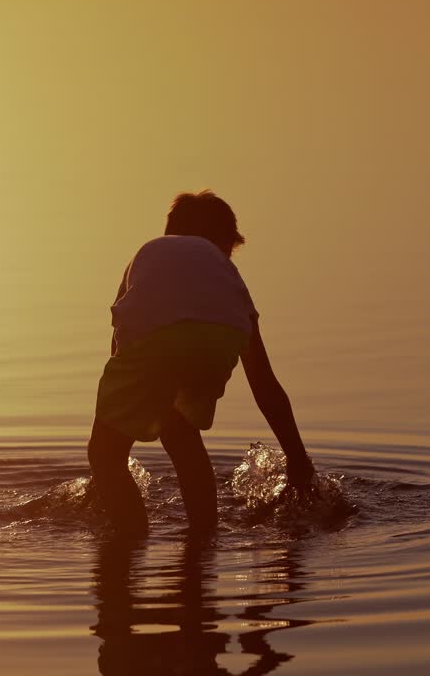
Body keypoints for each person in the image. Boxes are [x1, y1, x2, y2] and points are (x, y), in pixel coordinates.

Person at [88, 190, 315, 536]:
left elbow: (120, 348)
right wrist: (297, 457)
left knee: (105, 452)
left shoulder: (150, 253)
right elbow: (263, 382)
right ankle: (204, 539)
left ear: (171, 231)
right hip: (220, 339)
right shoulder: (226, 275)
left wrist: (106, 470)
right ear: (222, 244)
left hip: (154, 342)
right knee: (180, 432)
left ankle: (130, 541)